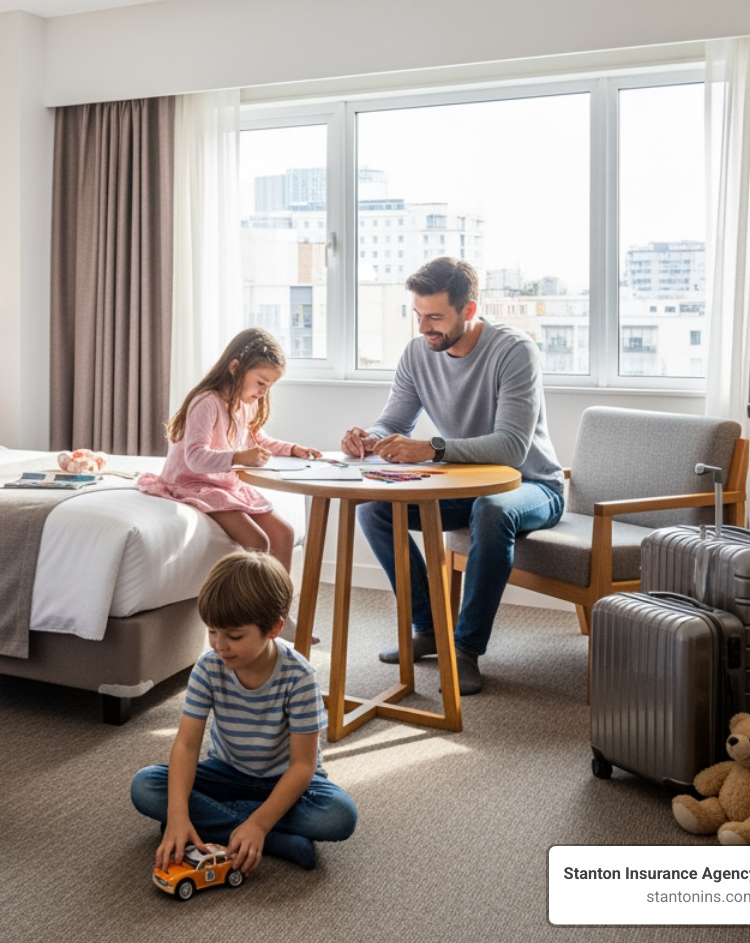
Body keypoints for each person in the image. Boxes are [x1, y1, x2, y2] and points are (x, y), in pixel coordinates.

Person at [341, 257, 564, 696]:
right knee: (373, 509)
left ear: (469, 310)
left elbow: (512, 448)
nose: (425, 328)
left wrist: (433, 449)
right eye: (419, 316)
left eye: (436, 318)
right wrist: (370, 438)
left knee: (492, 510)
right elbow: (395, 422)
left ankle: (464, 649)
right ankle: (428, 628)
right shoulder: (417, 353)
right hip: (464, 485)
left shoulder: (514, 351)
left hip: (531, 485)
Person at [130, 552, 357, 873]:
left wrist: (259, 824)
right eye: (212, 632)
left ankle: (231, 826)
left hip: (285, 781)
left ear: (274, 628)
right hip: (226, 773)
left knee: (339, 815)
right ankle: (278, 838)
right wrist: (178, 817)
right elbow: (186, 745)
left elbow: (303, 766)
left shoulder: (299, 676)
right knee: (145, 786)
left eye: (234, 636)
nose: (219, 645)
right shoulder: (208, 668)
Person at [138, 327, 319, 604]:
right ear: (235, 367)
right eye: (261, 383)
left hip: (222, 483)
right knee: (258, 542)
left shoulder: (246, 404)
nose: (263, 392)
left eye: (269, 386)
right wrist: (237, 457)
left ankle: (278, 611)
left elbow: (259, 439)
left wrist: (293, 449)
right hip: (193, 483)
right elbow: (195, 457)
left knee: (284, 533)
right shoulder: (206, 402)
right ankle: (253, 614)